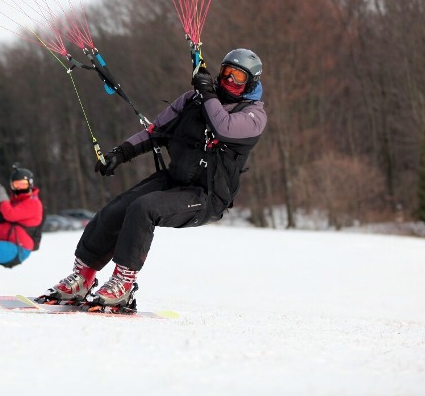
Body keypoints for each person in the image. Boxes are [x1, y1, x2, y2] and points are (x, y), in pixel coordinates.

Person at [41, 48, 267, 307]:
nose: (229, 79)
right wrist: (121, 152)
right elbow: (155, 131)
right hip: (175, 179)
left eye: (238, 76)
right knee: (117, 208)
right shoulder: (192, 99)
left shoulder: (254, 116)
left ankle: (123, 283)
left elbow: (223, 126)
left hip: (206, 195)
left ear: (251, 82)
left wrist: (206, 93)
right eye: (226, 72)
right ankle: (83, 276)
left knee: (143, 209)